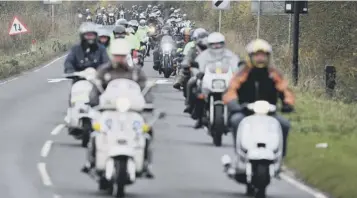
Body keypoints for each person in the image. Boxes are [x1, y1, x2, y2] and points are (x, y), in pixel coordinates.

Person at [82, 39, 154, 178]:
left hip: (131, 111)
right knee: (95, 133)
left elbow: (145, 89)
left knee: (147, 131)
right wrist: (93, 101)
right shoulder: (104, 71)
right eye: (116, 55)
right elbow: (96, 88)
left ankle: (146, 164)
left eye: (121, 56)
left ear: (126, 56)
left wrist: (148, 103)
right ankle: (90, 161)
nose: (119, 58)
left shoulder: (136, 72)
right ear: (112, 55)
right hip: (108, 110)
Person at [222, 39, 294, 162]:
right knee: (235, 121)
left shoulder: (274, 74)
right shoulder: (243, 73)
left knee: (284, 124)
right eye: (257, 55)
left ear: (268, 57)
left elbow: (285, 90)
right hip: (245, 111)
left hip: (269, 112)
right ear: (250, 57)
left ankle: (280, 157)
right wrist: (234, 104)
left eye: (263, 55)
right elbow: (231, 90)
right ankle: (239, 153)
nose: (260, 58)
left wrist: (287, 103)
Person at [64, 22, 109, 135]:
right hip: (79, 79)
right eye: (87, 35)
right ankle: (73, 118)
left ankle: (103, 120)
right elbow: (69, 62)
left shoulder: (101, 49)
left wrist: (103, 74)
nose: (90, 38)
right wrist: (70, 71)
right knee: (74, 94)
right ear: (82, 36)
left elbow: (106, 63)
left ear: (96, 36)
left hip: (97, 81)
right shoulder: (76, 49)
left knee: (104, 97)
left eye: (92, 35)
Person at [192, 32, 240, 129]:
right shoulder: (204, 55)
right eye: (214, 44)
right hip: (209, 81)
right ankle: (200, 118)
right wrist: (198, 73)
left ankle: (233, 118)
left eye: (219, 43)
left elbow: (236, 65)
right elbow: (196, 65)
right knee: (198, 94)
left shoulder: (229, 55)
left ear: (223, 44)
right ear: (209, 45)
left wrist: (237, 73)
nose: (216, 46)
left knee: (237, 97)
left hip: (225, 81)